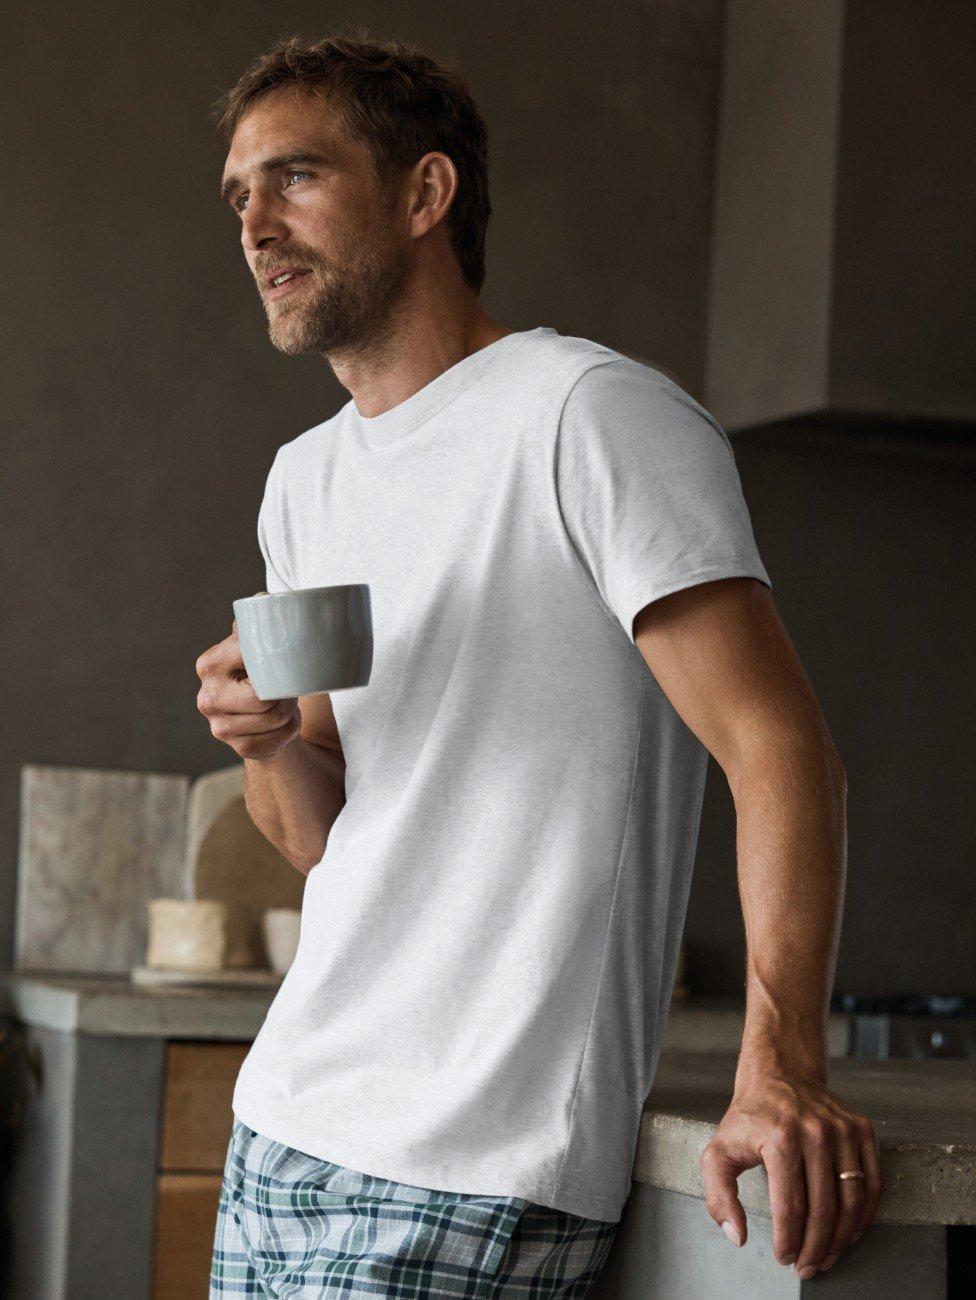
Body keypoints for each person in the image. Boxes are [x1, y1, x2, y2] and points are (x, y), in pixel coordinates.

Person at [196, 30, 882, 1298]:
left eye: (293, 176)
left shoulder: (587, 413)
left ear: (425, 194)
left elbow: (780, 751)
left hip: (474, 1158)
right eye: (239, 195)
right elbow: (320, 835)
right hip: (285, 1125)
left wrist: (779, 1067)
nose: (255, 223)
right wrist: (271, 739)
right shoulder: (308, 479)